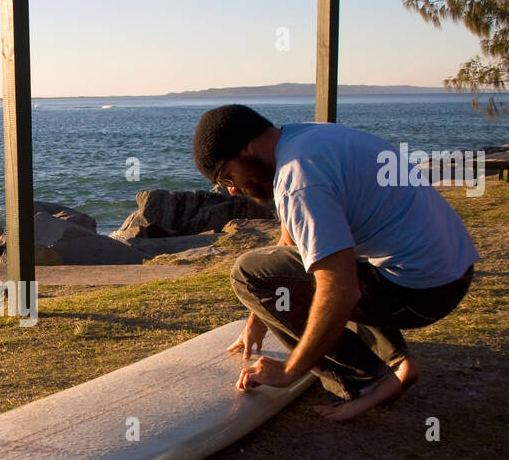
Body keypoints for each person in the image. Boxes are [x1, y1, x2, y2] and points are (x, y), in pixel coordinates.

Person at [191, 104, 478, 421]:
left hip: (420, 293)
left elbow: (340, 291)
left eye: (227, 176)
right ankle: (397, 360)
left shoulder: (297, 180)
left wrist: (289, 370)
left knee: (247, 273)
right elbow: (289, 247)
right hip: (451, 272)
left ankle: (366, 381)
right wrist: (258, 316)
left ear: (247, 149)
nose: (231, 189)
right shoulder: (307, 139)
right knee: (324, 254)